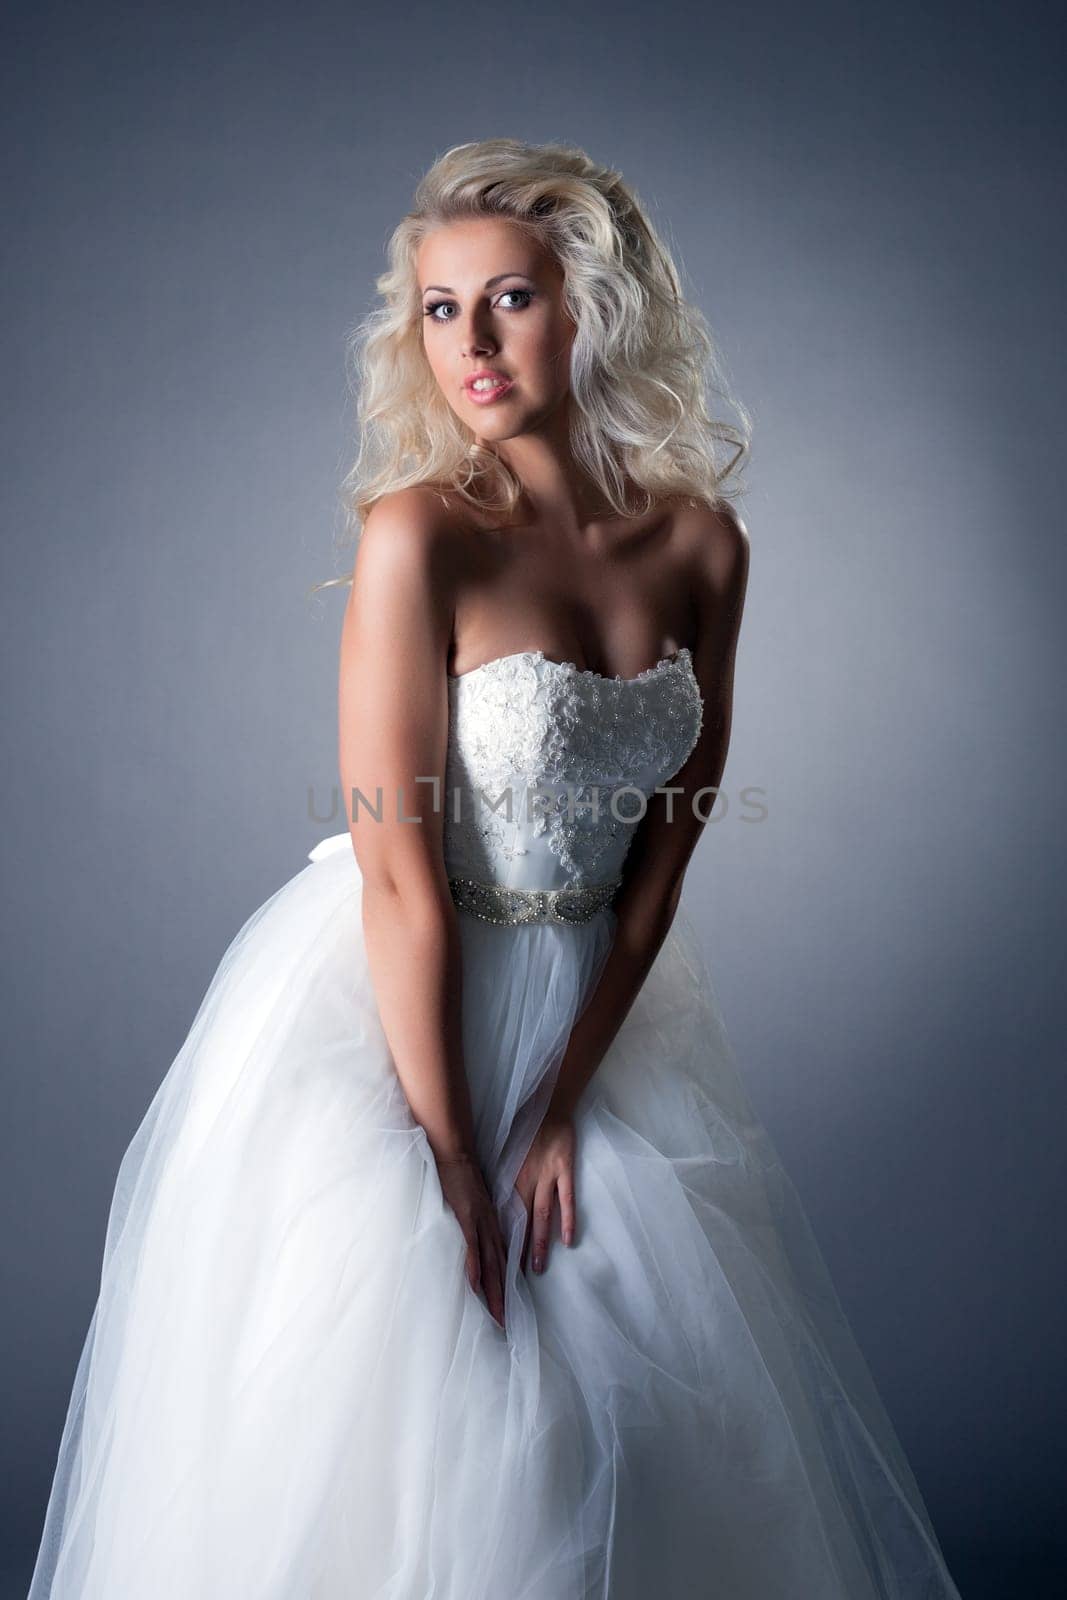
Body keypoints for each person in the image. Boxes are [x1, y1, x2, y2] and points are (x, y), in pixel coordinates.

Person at [27, 138, 963, 1599]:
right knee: (438, 1425)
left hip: (598, 1011)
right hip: (406, 1007)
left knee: (639, 1429)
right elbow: (398, 868)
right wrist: (457, 1150)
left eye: (509, 299)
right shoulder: (419, 539)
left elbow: (672, 842)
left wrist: (572, 1082)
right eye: (438, 308)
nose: (468, 342)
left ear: (592, 307)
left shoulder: (704, 547)